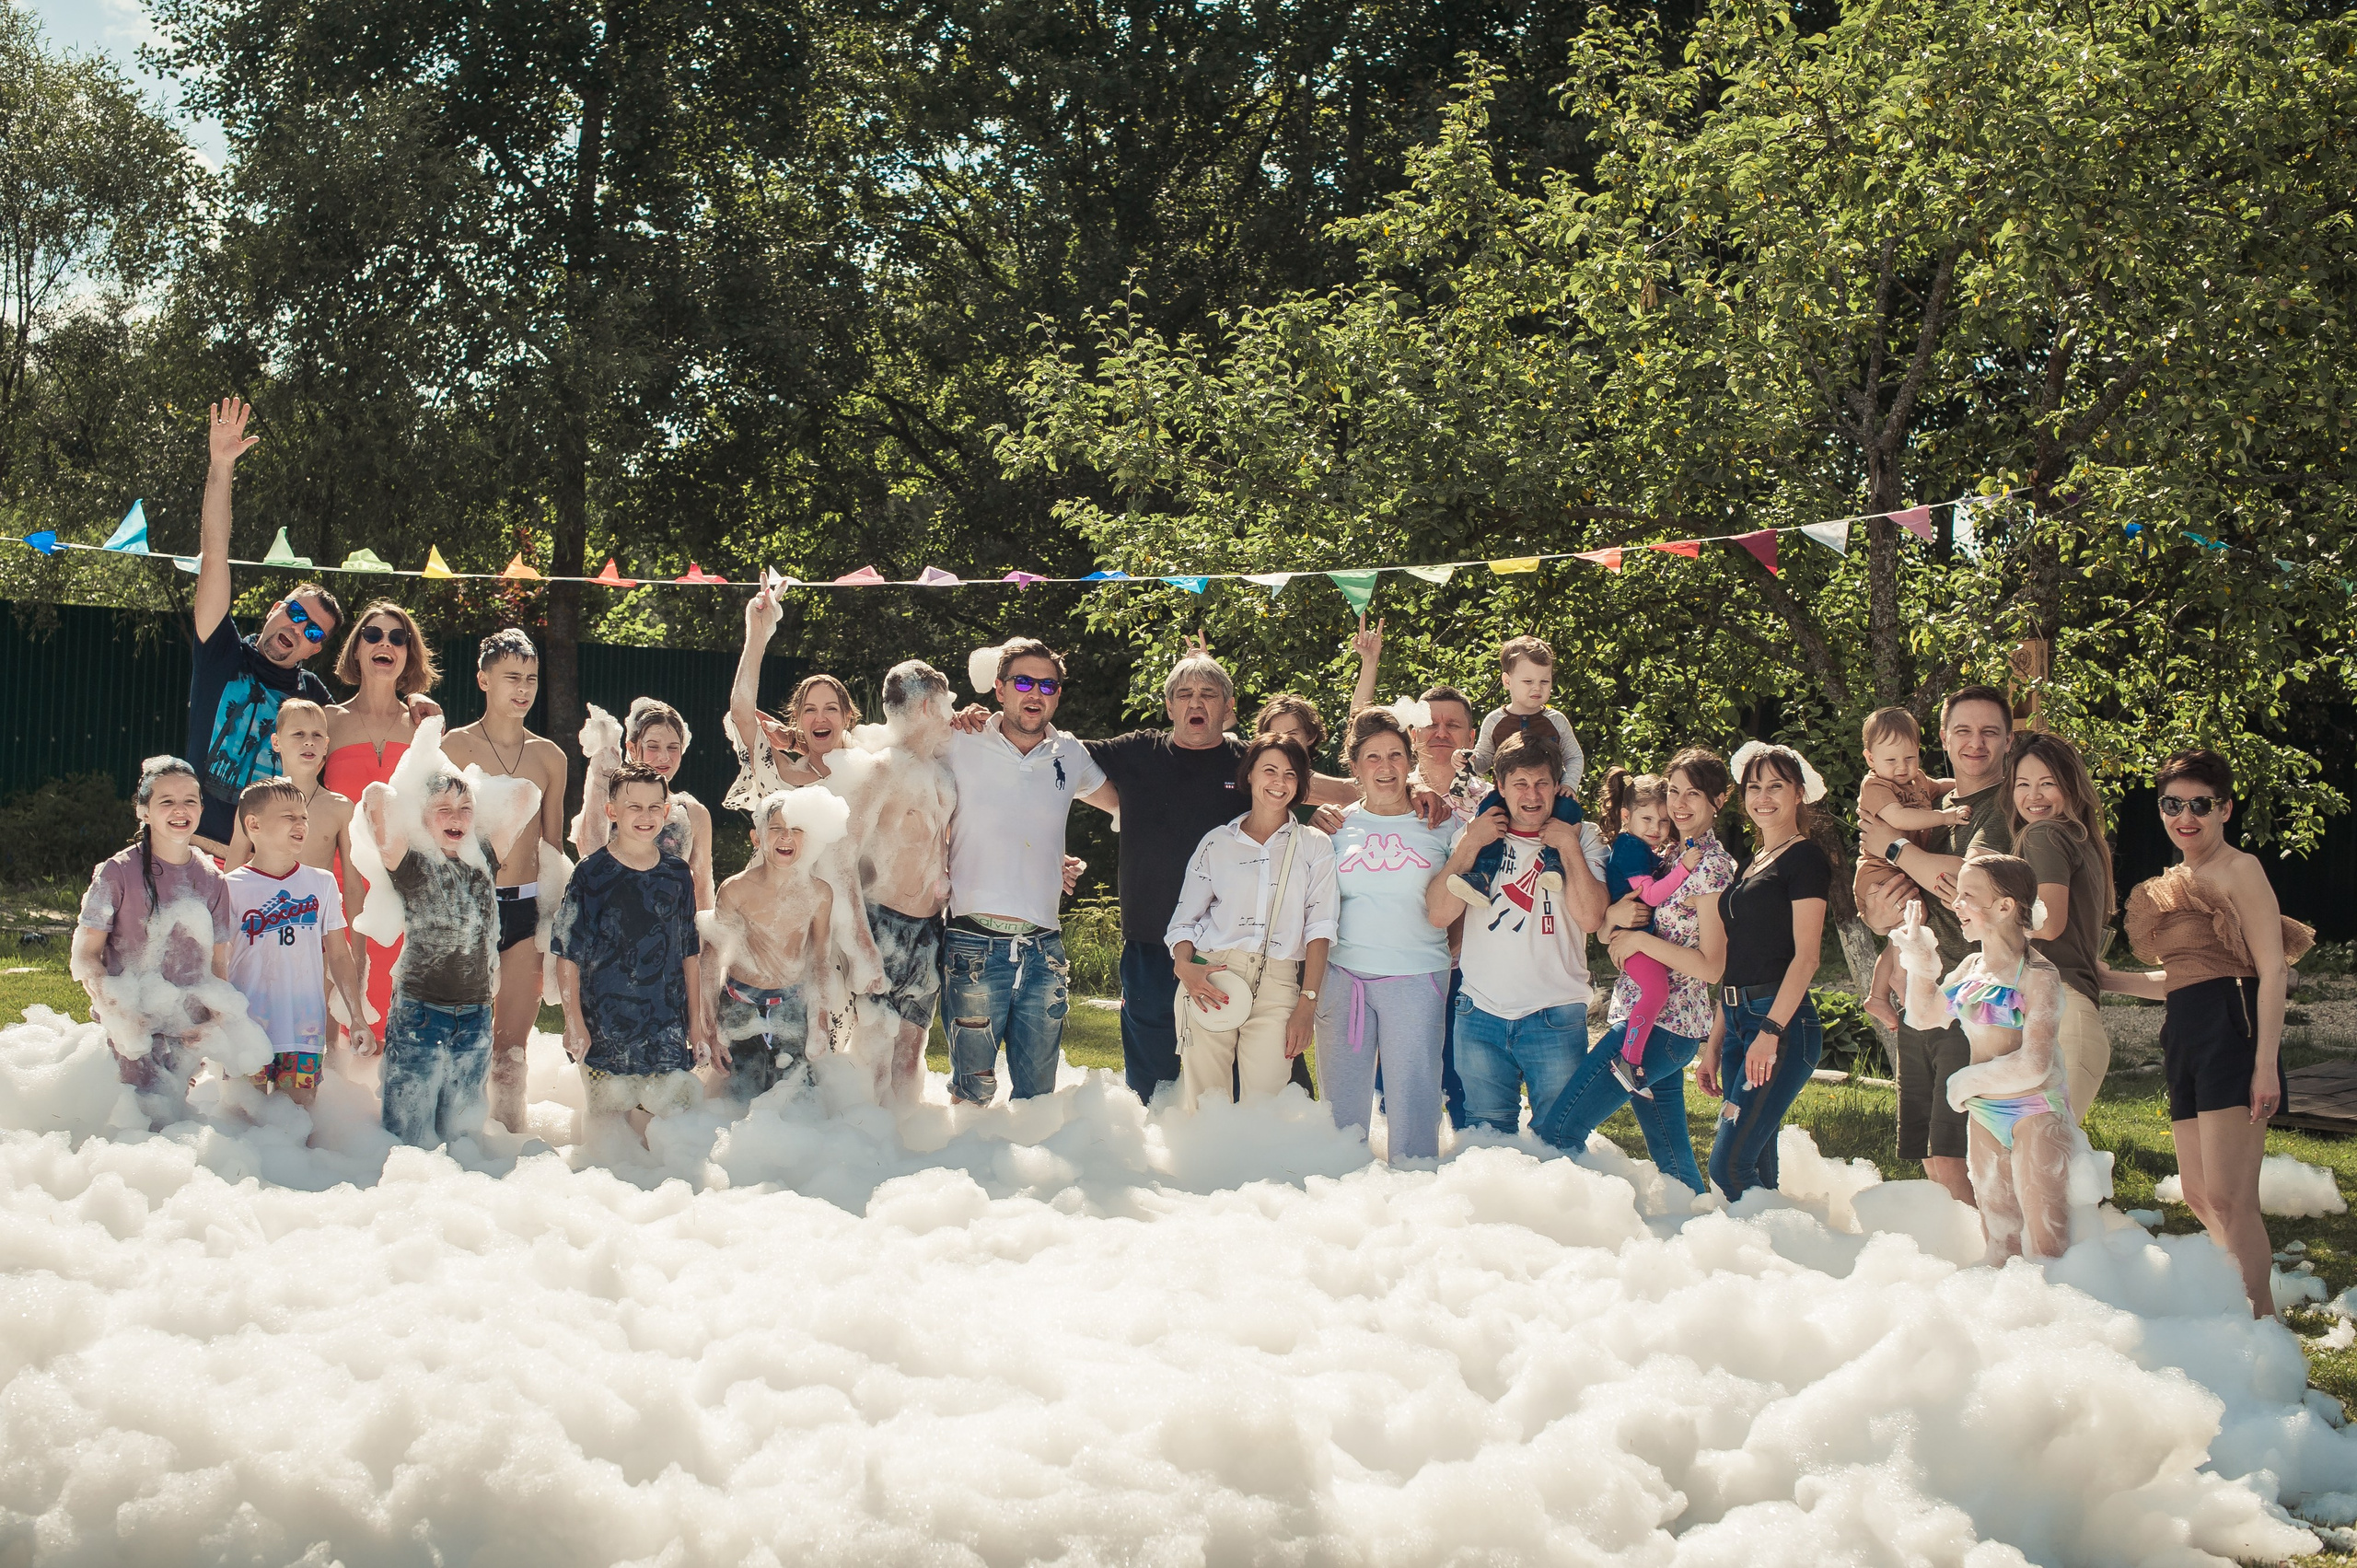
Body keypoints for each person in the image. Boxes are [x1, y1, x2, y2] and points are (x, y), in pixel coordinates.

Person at [1086, 652, 1435, 1102]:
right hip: (1157, 942)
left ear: (1229, 707)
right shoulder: (1137, 751)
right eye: (1185, 694)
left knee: (1271, 1095)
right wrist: (988, 725)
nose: (1197, 702)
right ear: (1169, 704)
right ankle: (1168, 1167)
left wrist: (1416, 786)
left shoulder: (1250, 766)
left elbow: (1351, 783)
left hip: (1264, 962)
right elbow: (1061, 756)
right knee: (1165, 1087)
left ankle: (1257, 1167)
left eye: (1209, 694)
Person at [2107, 749, 2313, 1318]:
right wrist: (2106, 978)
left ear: (2224, 808)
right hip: (2185, 1034)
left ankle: (2262, 1325)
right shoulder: (2175, 882)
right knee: (2198, 1195)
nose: (2185, 817)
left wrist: (2265, 1064)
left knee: (2231, 1197)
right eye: (2172, 805)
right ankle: (2235, 1304)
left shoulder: (2240, 869)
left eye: (2200, 804)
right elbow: (2180, 978)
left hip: (2233, 1028)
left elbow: (2272, 969)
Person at [1891, 855, 2108, 1264]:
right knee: (2000, 1233)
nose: (1955, 904)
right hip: (1985, 1114)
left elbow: (2035, 1065)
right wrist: (1921, 960)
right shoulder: (1973, 968)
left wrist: (1964, 1082)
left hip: (2035, 1112)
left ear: (2005, 906)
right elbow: (1923, 1017)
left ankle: (2063, 1314)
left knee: (2048, 1239)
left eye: (1968, 896)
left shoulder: (2037, 976)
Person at [1538, 748, 1735, 1198]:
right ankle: (1695, 1235)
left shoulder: (1711, 865)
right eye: (1675, 792)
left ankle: (1566, 1233)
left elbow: (1713, 965)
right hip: (1649, 1021)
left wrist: (1640, 942)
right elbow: (1615, 932)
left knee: (1559, 1131)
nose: (1680, 804)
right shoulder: (1666, 854)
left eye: (1695, 794)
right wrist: (1613, 925)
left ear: (1718, 801)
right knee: (1672, 1159)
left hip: (1663, 1030)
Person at [1857, 684, 2015, 1205]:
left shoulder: (2008, 805)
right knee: (1932, 1156)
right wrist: (1878, 910)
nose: (1976, 743)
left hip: (1973, 1000)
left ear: (2008, 740)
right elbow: (1896, 896)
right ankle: (1970, 1268)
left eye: (1990, 731)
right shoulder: (1936, 800)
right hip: (1922, 993)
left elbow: (1971, 878)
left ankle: (2007, 1267)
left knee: (1958, 1156)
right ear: (1945, 738)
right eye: (1963, 731)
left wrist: (1895, 848)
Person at [940, 640, 1115, 1105]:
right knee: (971, 1093)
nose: (1034, 692)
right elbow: (892, 772)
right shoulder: (959, 738)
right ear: (999, 690)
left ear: (1057, 695)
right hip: (972, 943)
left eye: (1047, 684)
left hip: (1044, 949)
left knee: (1038, 1100)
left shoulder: (1069, 753)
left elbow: (1124, 807)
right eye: (1022, 681)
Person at [1425, 731, 1609, 1136]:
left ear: (1557, 787)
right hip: (1480, 1014)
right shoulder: (1475, 836)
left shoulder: (1585, 835)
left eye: (1542, 782)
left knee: (1560, 1140)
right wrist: (1468, 845)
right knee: (1487, 1142)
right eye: (1520, 783)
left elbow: (1592, 918)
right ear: (1501, 788)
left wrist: (1570, 849)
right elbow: (1439, 914)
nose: (1532, 794)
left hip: (1556, 1014)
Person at [187, 396, 343, 855]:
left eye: (313, 632)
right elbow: (214, 557)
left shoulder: (314, 699)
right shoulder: (223, 652)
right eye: (296, 614)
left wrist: (414, 701)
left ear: (315, 650)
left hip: (264, 871)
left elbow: (369, 726)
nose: (298, 630)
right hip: (191, 851)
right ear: (276, 608)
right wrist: (221, 466)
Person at [441, 629, 573, 1131]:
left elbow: (553, 846)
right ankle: (456, 1142)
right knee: (461, 1041)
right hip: (468, 907)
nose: (523, 688)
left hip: (526, 909)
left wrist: (554, 916)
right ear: (483, 680)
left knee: (511, 1052)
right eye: (512, 677)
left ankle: (508, 1148)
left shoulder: (549, 758)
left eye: (532, 679)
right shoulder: (455, 745)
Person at [361, 767, 531, 1148]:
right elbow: (376, 798)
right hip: (420, 1010)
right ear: (421, 818)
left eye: (466, 808)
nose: (456, 818)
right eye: (443, 809)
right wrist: (416, 788)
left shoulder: (484, 858)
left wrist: (472, 794)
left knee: (462, 1131)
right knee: (407, 1129)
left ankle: (458, 1192)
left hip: (476, 1014)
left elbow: (523, 795)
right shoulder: (414, 866)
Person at [1318, 708, 1460, 1160]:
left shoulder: (1442, 823)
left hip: (1418, 978)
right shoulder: (1334, 828)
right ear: (1355, 766)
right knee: (1339, 1115)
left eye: (1396, 755)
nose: (1385, 767)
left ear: (1410, 761)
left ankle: (1415, 1202)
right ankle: (1342, 1201)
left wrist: (1452, 948)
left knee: (1416, 1104)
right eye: (1373, 757)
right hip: (1343, 980)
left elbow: (1464, 893)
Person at [1167, 735, 1337, 1109]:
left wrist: (1307, 1004)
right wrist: (1184, 966)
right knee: (1204, 1103)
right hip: (1210, 975)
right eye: (1270, 771)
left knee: (1267, 1107)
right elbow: (1184, 920)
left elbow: (1320, 928)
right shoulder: (1217, 843)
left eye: (1290, 774)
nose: (1279, 782)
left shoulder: (1315, 845)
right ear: (1250, 776)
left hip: (1279, 985)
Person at [552, 762, 713, 1148]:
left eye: (654, 807)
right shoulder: (590, 875)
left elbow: (689, 952)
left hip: (665, 1024)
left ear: (667, 810)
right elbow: (567, 953)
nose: (645, 816)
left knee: (671, 1123)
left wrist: (696, 1024)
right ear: (612, 812)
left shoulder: (677, 876)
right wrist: (573, 1021)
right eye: (633, 807)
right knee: (610, 1128)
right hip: (604, 1026)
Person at [72, 756, 239, 1121]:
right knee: (136, 1130)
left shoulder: (212, 880)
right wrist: (119, 1013)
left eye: (190, 800)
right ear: (144, 812)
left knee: (175, 1134)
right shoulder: (117, 872)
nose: (180, 810)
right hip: (130, 1030)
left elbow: (217, 965)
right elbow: (86, 957)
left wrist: (212, 1025)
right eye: (167, 801)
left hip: (184, 1030)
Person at [1704, 741, 1834, 1201]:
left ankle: (1774, 1255)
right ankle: (1773, 1260)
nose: (1763, 796)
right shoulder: (1753, 864)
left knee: (1729, 1168)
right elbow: (1739, 958)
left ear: (1799, 793)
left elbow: (1808, 958)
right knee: (1757, 1166)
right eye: (1754, 787)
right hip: (1741, 1021)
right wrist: (1716, 1039)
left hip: (1779, 1022)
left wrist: (1770, 1031)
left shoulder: (1806, 860)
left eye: (1776, 786)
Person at [322, 600, 440, 1035]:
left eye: (397, 637)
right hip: (336, 883)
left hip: (400, 889)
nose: (384, 643)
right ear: (356, 650)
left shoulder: (424, 726)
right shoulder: (328, 722)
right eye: (373, 635)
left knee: (394, 1015)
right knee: (332, 1011)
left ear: (408, 654)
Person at [219, 698, 363, 1048]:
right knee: (252, 1025)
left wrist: (357, 949)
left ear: (327, 745)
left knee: (316, 1033)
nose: (309, 742)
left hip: (316, 932)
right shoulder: (255, 802)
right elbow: (234, 866)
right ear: (277, 742)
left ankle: (319, 1092)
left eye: (317, 735)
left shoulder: (340, 807)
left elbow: (355, 885)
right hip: (262, 930)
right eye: (298, 734)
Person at [224, 778, 371, 1112]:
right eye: (288, 816)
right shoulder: (229, 887)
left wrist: (357, 1017)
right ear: (254, 824)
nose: (301, 824)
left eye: (304, 816)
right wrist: (214, 1023)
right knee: (243, 1120)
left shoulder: (321, 882)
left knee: (297, 1124)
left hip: (304, 1028)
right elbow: (215, 961)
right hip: (247, 1026)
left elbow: (338, 953)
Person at [706, 787, 856, 1101]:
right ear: (757, 838)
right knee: (735, 1099)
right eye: (776, 829)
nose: (786, 838)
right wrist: (710, 1029)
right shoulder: (735, 890)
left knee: (795, 1099)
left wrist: (818, 1018)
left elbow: (819, 959)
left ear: (807, 839)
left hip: (791, 1004)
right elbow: (711, 961)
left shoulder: (818, 894)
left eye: (795, 831)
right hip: (740, 1005)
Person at [2006, 732, 2116, 1119]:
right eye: (2023, 785)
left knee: (2042, 1170)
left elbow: (2048, 924)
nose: (2034, 796)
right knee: (2045, 1169)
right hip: (2069, 1020)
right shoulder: (2084, 841)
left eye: (2047, 783)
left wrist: (1989, 914)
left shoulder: (2044, 834)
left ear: (2070, 787)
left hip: (2060, 1022)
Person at [1852, 706, 1966, 1033]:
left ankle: (1878, 994)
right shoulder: (1875, 786)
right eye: (1891, 760)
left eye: (1910, 758)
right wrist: (1946, 818)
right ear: (1871, 758)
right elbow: (1900, 819)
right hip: (1878, 872)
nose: (1902, 768)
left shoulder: (1915, 779)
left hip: (1897, 869)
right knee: (1914, 920)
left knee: (1905, 926)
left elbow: (1938, 786)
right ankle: (1898, 983)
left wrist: (1961, 785)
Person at [1447, 635, 1585, 903]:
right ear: (1507, 681)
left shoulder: (1556, 720)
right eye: (1528, 681)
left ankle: (1554, 865)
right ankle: (1482, 876)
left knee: (1570, 811)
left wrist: (1569, 784)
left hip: (1549, 793)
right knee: (1487, 814)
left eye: (1544, 681)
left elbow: (1575, 757)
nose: (1537, 688)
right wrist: (1467, 760)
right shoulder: (1495, 720)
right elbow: (1485, 761)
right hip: (1506, 793)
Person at [1594, 767, 1703, 1099]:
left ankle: (1633, 1058)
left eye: (1663, 821)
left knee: (1657, 991)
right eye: (1647, 820)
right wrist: (1684, 868)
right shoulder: (1629, 849)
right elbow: (1653, 895)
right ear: (1626, 816)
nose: (1656, 829)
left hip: (1638, 939)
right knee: (1656, 991)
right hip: (1631, 941)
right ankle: (1630, 1060)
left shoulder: (1641, 847)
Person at [575, 699, 714, 911]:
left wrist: (706, 942)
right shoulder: (611, 804)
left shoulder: (693, 814)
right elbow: (589, 855)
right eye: (653, 747)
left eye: (672, 747)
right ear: (631, 748)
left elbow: (702, 889)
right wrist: (600, 782)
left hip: (667, 933)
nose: (664, 757)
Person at [726, 587, 862, 797]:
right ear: (797, 719)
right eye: (809, 710)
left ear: (848, 716)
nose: (820, 718)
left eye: (831, 708)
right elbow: (742, 714)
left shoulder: (870, 766)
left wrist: (794, 741)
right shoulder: (785, 776)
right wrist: (758, 634)